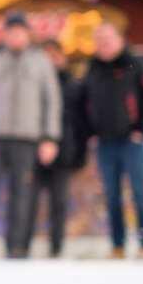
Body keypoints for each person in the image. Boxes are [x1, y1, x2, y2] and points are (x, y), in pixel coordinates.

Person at [0, 12, 61, 260]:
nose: (16, 36)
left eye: (20, 32)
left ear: (28, 34)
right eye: (11, 31)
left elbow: (52, 100)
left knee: (22, 194)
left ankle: (16, 248)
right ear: (4, 34)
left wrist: (50, 137)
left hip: (27, 138)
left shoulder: (40, 61)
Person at [78, 24, 143, 260]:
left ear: (119, 40)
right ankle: (118, 245)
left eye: (107, 38)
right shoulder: (92, 69)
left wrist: (142, 130)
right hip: (105, 143)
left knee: (139, 192)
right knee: (111, 195)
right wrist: (90, 131)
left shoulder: (135, 64)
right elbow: (81, 103)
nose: (103, 44)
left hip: (131, 142)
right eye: (99, 40)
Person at [24, 40, 88, 258]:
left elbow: (82, 123)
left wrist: (79, 153)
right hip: (32, 150)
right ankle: (21, 245)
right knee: (28, 201)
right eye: (46, 55)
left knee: (59, 202)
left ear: (62, 57)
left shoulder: (74, 85)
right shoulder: (31, 84)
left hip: (64, 150)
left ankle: (56, 247)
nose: (51, 60)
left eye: (55, 55)